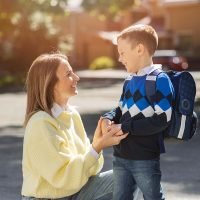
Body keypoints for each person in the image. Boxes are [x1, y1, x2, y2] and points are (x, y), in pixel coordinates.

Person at [21, 53, 128, 200]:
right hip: (48, 198)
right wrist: (96, 148)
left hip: (74, 192)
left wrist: (96, 144)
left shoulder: (72, 115)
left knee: (133, 176)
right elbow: (63, 179)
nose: (76, 78)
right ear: (50, 84)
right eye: (68, 74)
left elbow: (91, 171)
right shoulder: (40, 123)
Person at [101, 24, 174, 200]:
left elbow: (162, 119)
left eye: (123, 53)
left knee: (153, 197)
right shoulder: (129, 81)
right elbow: (120, 108)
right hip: (120, 156)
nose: (119, 58)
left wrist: (124, 126)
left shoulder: (160, 80)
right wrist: (108, 117)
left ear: (139, 49)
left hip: (145, 158)